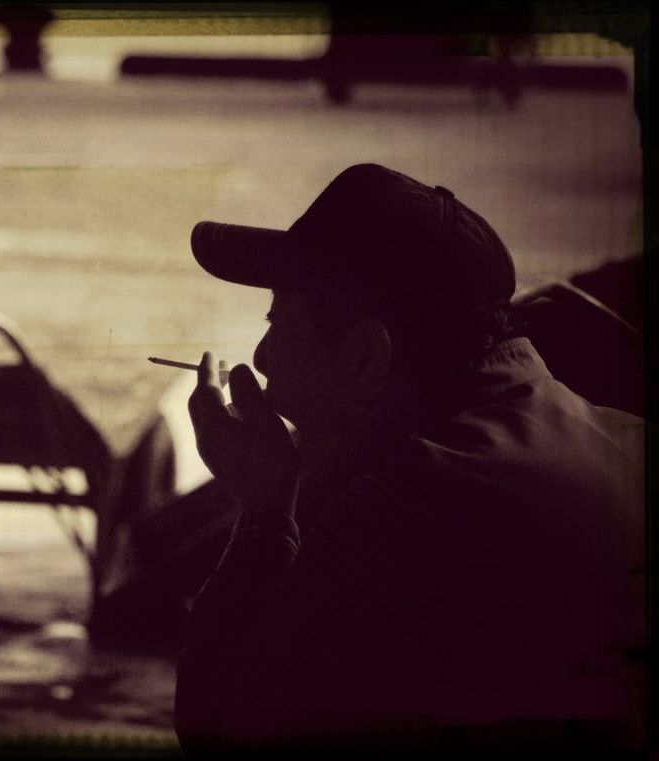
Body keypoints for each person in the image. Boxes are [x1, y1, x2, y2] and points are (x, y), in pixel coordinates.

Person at [173, 164, 646, 753]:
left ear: (369, 354)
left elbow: (223, 728)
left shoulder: (409, 505)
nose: (263, 357)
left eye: (281, 325)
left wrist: (266, 506)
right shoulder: (624, 438)